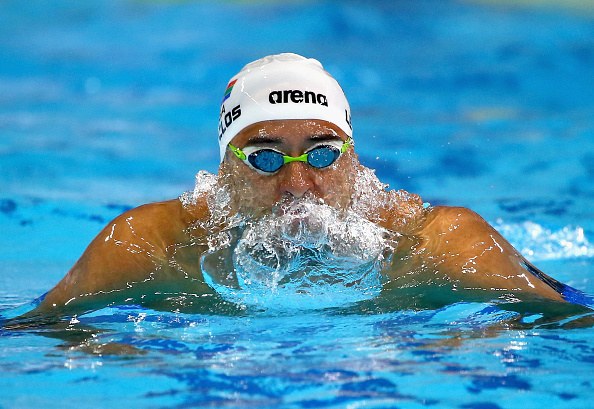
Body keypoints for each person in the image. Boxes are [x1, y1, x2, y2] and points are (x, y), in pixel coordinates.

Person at [21, 53, 583, 323]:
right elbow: (33, 332)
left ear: (355, 160)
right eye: (265, 157)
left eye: (321, 153)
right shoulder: (150, 248)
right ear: (224, 172)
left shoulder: (437, 249)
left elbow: (572, 326)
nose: (298, 184)